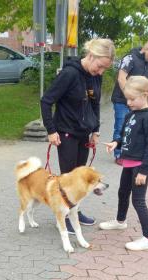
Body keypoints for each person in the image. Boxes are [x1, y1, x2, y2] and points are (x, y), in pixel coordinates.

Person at [41, 38, 115, 234]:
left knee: (81, 179)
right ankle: (63, 216)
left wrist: (96, 130)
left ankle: (75, 211)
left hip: (84, 134)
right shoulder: (69, 74)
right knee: (68, 179)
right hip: (66, 132)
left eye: (104, 70)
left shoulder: (95, 76)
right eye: (99, 67)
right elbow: (46, 101)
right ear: (91, 56)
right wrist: (51, 130)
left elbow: (94, 104)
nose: (100, 72)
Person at [100, 76, 148, 251]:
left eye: (132, 99)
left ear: (145, 95)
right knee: (123, 192)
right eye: (126, 98)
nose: (128, 102)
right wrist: (116, 143)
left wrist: (144, 171)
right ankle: (120, 221)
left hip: (140, 165)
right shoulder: (131, 114)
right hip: (128, 162)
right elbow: (126, 135)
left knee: (138, 201)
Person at [110, 39, 148, 163]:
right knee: (121, 125)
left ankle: (129, 152)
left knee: (134, 127)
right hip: (121, 99)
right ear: (146, 49)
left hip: (138, 102)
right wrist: (130, 97)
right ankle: (118, 154)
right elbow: (121, 78)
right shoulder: (130, 58)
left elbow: (146, 84)